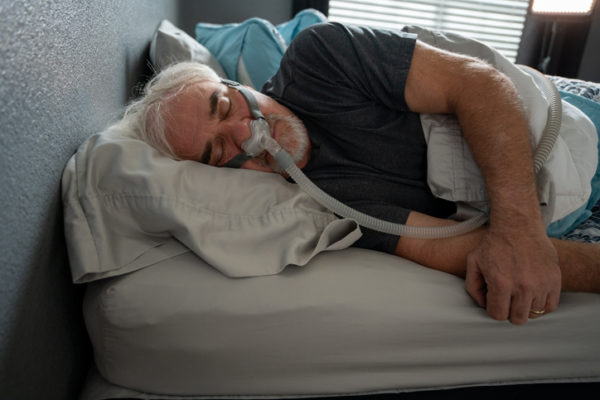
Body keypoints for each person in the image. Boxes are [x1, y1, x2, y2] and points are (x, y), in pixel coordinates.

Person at [126, 22, 600, 325]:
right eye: (218, 151)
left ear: (235, 84)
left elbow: (478, 83)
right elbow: (456, 244)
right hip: (556, 214)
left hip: (564, 131)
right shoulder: (319, 207)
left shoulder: (318, 59)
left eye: (224, 106)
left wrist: (519, 230)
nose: (244, 130)